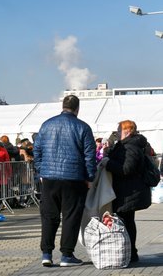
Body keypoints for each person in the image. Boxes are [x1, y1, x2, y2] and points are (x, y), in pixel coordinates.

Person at [34, 95, 96, 267]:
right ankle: (66, 255)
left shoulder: (47, 124)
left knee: (49, 216)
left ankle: (46, 253)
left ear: (62, 106)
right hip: (74, 178)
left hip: (49, 177)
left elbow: (37, 150)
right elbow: (89, 156)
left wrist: (41, 170)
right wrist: (90, 177)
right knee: (71, 216)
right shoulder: (83, 127)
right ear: (77, 108)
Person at [100, 120, 152, 263]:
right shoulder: (125, 145)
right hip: (126, 191)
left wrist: (108, 163)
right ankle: (130, 252)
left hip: (129, 191)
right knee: (127, 221)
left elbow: (126, 169)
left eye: (119, 130)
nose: (117, 132)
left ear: (127, 131)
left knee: (126, 222)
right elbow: (116, 156)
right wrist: (107, 150)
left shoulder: (132, 147)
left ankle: (130, 253)